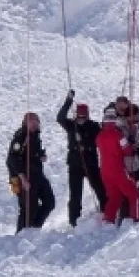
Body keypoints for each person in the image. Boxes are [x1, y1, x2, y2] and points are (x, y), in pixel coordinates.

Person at [56, 90, 106, 227]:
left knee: (100, 189)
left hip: (91, 163)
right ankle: (74, 221)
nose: (81, 119)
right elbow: (60, 118)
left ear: (88, 116)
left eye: (84, 117)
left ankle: (106, 213)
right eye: (79, 116)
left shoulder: (94, 126)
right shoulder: (71, 125)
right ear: (76, 115)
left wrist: (86, 144)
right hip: (75, 164)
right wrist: (68, 101)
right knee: (75, 194)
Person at [8, 112, 55, 232]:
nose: (34, 125)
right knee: (28, 209)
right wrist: (23, 178)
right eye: (31, 122)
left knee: (49, 202)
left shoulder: (35, 136)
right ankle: (21, 236)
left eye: (36, 122)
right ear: (25, 123)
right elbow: (12, 159)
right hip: (22, 178)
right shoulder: (21, 137)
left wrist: (41, 155)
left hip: (37, 176)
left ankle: (34, 229)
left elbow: (32, 154)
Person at [97, 112, 139, 224]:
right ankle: (137, 219)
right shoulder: (118, 135)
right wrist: (132, 145)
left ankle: (108, 220)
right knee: (134, 194)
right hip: (118, 170)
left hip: (105, 171)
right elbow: (127, 151)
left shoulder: (99, 136)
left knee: (114, 197)